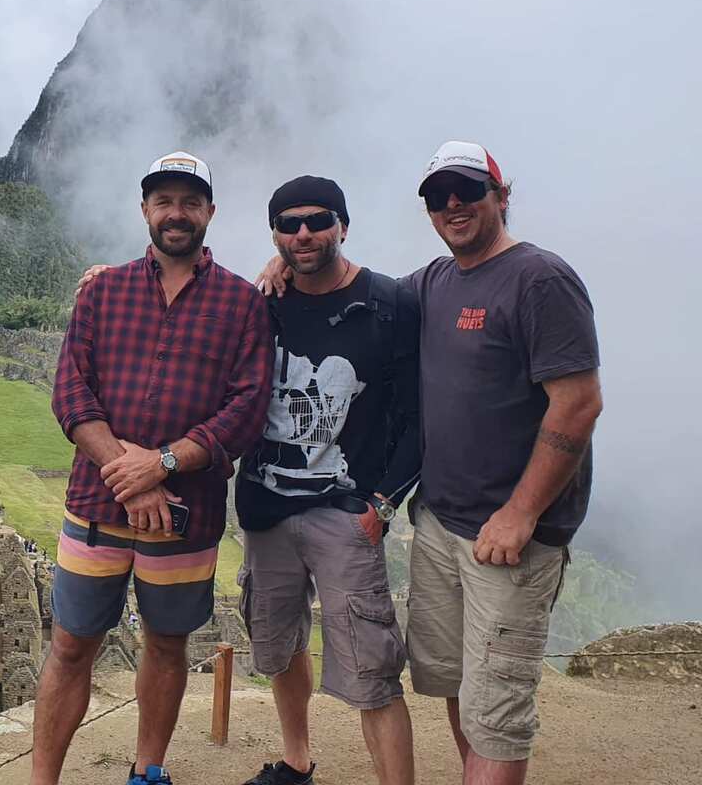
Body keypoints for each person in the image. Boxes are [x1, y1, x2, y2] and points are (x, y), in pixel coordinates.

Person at [258, 142, 603, 785]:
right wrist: (279, 266)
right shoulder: (433, 284)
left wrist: (521, 514)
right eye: (437, 196)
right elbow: (351, 284)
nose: (452, 205)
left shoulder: (540, 278)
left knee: (495, 708)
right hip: (441, 523)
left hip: (507, 536)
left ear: (501, 195)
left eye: (467, 191)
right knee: (458, 690)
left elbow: (579, 405)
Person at [38, 150, 273, 785]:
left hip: (185, 516)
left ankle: (147, 770)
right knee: (70, 645)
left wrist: (165, 462)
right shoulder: (104, 291)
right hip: (96, 507)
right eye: (164, 201)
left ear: (210, 213)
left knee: (168, 645)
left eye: (190, 202)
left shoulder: (242, 305)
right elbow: (71, 394)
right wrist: (132, 474)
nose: (177, 213)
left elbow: (246, 411)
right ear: (145, 210)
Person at [235, 176, 420, 785]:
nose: (304, 233)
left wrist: (383, 505)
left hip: (346, 511)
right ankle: (296, 760)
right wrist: (109, 280)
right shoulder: (263, 302)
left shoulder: (389, 304)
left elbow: (420, 414)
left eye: (318, 220)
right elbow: (185, 312)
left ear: (343, 224)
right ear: (275, 236)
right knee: (281, 646)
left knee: (371, 665)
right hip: (267, 507)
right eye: (289, 224)